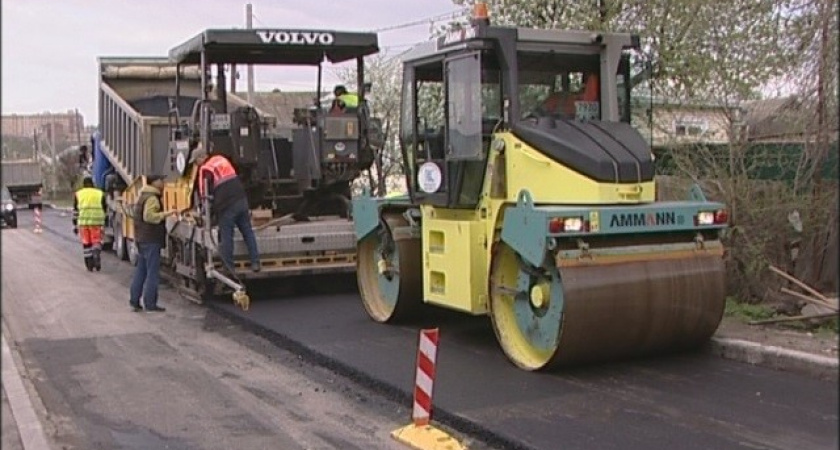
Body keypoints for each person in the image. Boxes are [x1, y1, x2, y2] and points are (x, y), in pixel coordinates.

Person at [190, 146, 261, 274]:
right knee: (247, 232)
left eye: (196, 161)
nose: (196, 164)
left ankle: (229, 268)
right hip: (241, 200)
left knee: (226, 236)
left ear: (201, 157)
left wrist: (205, 213)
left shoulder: (205, 169)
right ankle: (255, 262)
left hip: (226, 206)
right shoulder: (221, 159)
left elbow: (204, 194)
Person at [129, 174, 177, 312]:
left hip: (142, 239)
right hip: (151, 240)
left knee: (141, 271)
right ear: (154, 183)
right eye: (161, 180)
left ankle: (134, 300)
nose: (163, 182)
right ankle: (150, 303)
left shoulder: (143, 195)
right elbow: (149, 216)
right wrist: (166, 214)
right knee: (152, 273)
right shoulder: (152, 198)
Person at [72, 176, 107, 271]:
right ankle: (96, 253)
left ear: (83, 185)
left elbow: (76, 211)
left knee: (86, 243)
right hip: (96, 222)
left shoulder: (79, 194)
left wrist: (74, 224)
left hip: (83, 223)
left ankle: (89, 264)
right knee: (96, 240)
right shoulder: (99, 193)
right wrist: (104, 220)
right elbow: (104, 208)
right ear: (92, 184)